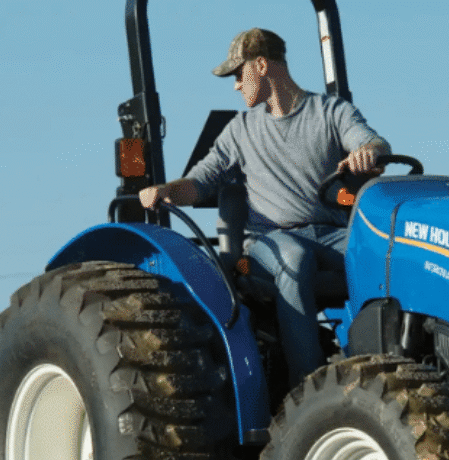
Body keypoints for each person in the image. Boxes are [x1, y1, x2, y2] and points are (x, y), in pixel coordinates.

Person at [140, 28, 391, 388]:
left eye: (239, 75)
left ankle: (389, 365)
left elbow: (371, 141)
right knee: (294, 258)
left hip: (330, 235)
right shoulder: (239, 130)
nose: (236, 86)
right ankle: (309, 387)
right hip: (266, 245)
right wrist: (165, 190)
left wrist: (369, 152)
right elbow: (198, 184)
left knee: (389, 249)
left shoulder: (330, 111)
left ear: (261, 65)